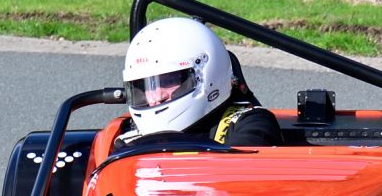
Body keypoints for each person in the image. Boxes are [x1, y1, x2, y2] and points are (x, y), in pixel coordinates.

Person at [118, 16, 282, 147]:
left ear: (206, 74)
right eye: (144, 86)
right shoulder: (127, 141)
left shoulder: (252, 124)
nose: (155, 97)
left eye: (168, 81)